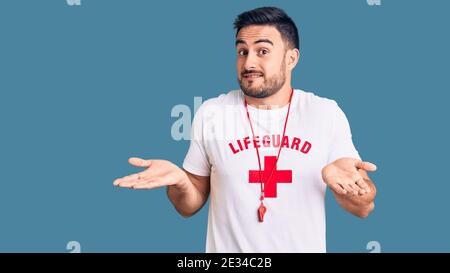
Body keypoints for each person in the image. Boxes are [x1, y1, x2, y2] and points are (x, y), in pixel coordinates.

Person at [113, 6, 377, 253]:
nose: (249, 63)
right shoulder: (211, 113)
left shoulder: (325, 113)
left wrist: (347, 187)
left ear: (291, 58)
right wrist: (182, 182)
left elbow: (363, 207)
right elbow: (187, 206)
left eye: (262, 51)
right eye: (242, 51)